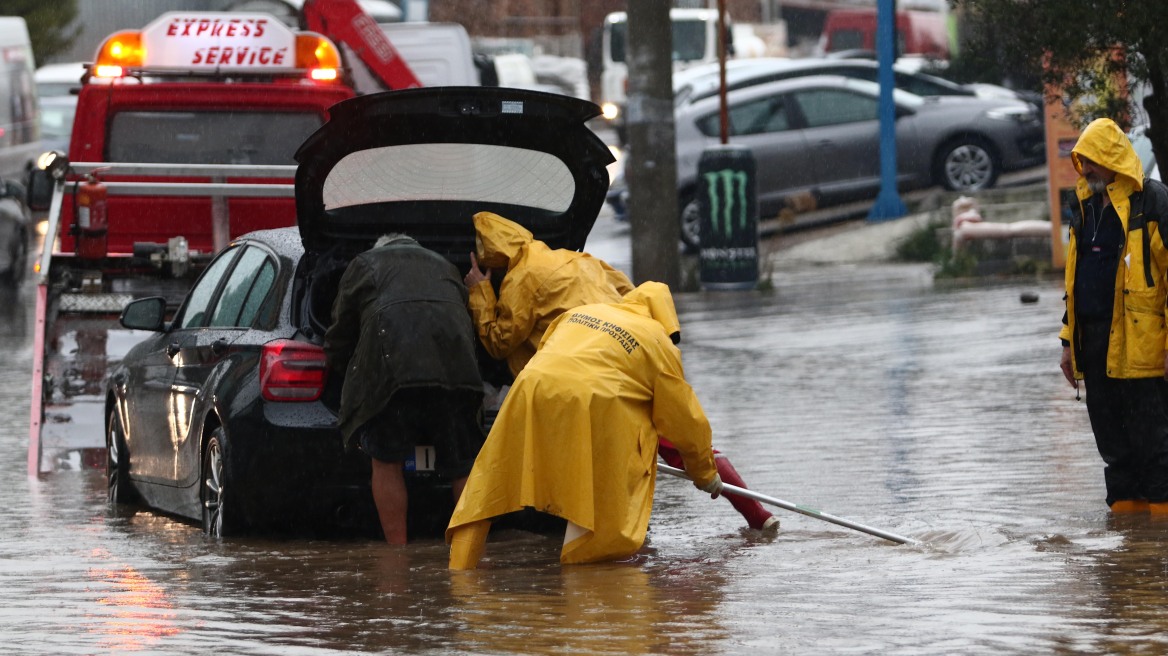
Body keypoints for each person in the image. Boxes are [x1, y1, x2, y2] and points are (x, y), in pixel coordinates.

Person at [465, 210, 779, 532]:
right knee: (679, 441)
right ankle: (757, 515)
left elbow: (499, 341)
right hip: (628, 363)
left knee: (591, 466)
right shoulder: (584, 260)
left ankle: (591, 550)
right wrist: (705, 474)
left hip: (580, 379)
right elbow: (632, 295)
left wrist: (481, 292)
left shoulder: (522, 278)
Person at [446, 282, 723, 568]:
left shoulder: (581, 312)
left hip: (530, 389)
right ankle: (584, 585)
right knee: (600, 516)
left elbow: (547, 352)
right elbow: (685, 420)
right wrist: (705, 473)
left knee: (490, 480)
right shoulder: (657, 341)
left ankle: (459, 572)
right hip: (592, 403)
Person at [325, 233, 485, 544]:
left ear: (380, 248)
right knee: (463, 463)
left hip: (394, 374)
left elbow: (340, 332)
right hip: (456, 371)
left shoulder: (364, 264)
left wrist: (341, 369)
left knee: (387, 460)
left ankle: (397, 555)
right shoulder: (445, 266)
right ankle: (472, 555)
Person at [1059, 117, 1168, 514]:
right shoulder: (1083, 210)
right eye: (1081, 161)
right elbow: (1074, 283)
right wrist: (1069, 344)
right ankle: (1129, 547)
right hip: (1095, 341)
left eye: (1091, 160)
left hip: (1144, 346)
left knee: (1154, 444)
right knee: (1114, 447)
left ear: (1111, 158)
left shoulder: (1153, 201)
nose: (1085, 169)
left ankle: (1157, 548)